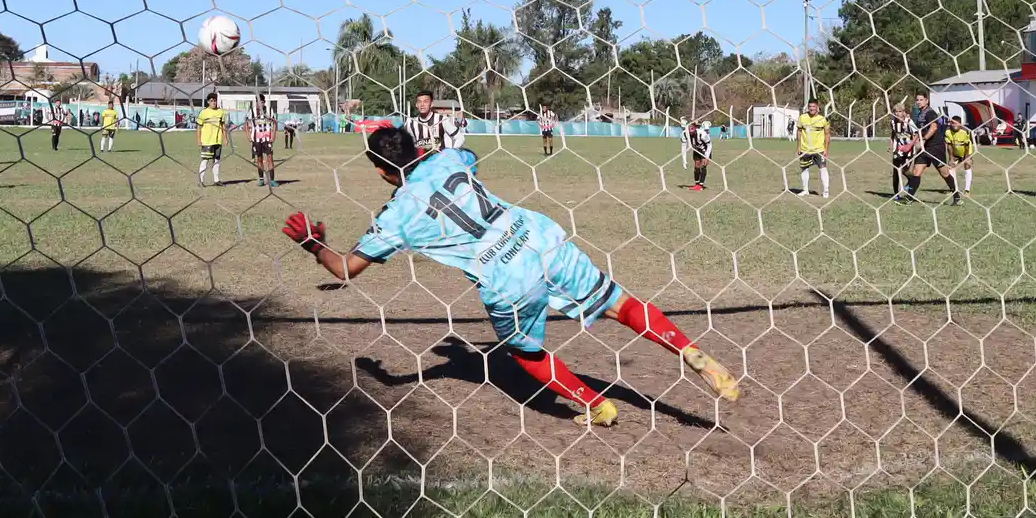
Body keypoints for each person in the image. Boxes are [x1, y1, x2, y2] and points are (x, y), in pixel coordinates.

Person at [281, 126, 741, 427]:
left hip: (504, 274)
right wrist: (437, 156)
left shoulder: (396, 215)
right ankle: (691, 351)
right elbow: (471, 156)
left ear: (382, 172)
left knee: (524, 351)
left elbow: (345, 269)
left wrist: (313, 243)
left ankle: (596, 405)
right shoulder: (448, 159)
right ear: (418, 149)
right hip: (537, 237)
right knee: (619, 303)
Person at [898, 92, 960, 205]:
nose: (918, 102)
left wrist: (924, 139)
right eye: (917, 100)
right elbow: (919, 132)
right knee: (916, 171)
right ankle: (909, 198)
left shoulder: (930, 112)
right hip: (925, 148)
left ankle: (957, 197)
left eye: (921, 100)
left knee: (944, 173)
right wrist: (910, 145)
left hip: (936, 147)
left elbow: (934, 127)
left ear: (927, 101)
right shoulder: (920, 114)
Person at [792, 100, 831, 199]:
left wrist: (826, 149)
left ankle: (826, 191)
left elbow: (827, 135)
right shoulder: (802, 117)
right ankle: (805, 190)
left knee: (823, 168)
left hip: (819, 149)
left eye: (813, 106)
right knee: (804, 168)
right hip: (805, 149)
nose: (811, 108)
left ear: (817, 107)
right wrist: (798, 147)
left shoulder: (823, 119)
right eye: (810, 106)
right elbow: (799, 132)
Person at [197, 94, 227, 186]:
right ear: (208, 102)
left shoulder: (221, 112)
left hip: (217, 140)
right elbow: (199, 127)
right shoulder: (203, 113)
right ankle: (201, 180)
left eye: (215, 100)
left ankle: (216, 180)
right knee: (205, 160)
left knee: (217, 160)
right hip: (207, 141)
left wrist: (225, 138)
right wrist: (199, 139)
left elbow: (223, 126)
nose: (213, 102)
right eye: (211, 101)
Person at [888, 103, 917, 199]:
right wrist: (891, 145)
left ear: (904, 112)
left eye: (899, 111)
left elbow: (916, 134)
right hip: (898, 150)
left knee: (905, 170)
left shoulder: (909, 121)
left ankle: (911, 180)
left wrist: (910, 145)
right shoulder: (893, 122)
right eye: (895, 112)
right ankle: (896, 194)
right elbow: (893, 133)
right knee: (896, 171)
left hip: (908, 150)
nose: (897, 114)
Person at [249, 99, 279, 188]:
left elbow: (275, 122)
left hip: (267, 138)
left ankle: (272, 180)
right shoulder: (252, 111)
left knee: (270, 158)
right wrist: (248, 136)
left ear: (264, 102)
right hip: (257, 139)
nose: (260, 104)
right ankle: (261, 179)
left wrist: (274, 135)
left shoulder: (269, 110)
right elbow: (246, 123)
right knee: (259, 158)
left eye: (262, 102)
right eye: (258, 102)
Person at [944, 115, 976, 196]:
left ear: (960, 124)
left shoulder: (965, 131)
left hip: (966, 151)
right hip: (955, 152)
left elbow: (967, 145)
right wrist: (951, 157)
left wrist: (966, 157)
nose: (954, 125)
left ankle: (967, 190)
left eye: (956, 123)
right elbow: (949, 145)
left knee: (967, 165)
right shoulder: (947, 131)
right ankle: (954, 189)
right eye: (953, 123)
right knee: (950, 167)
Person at [407, 90, 446, 155]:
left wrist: (450, 153)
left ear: (432, 104)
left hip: (439, 159)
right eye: (419, 102)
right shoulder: (411, 123)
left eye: (426, 101)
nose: (422, 104)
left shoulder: (442, 119)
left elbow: (459, 137)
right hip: (420, 160)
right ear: (416, 105)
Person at [684, 120, 713, 191]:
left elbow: (709, 145)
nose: (690, 130)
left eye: (692, 128)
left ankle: (701, 185)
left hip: (705, 150)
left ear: (695, 127)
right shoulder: (685, 134)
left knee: (703, 166)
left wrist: (706, 156)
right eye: (688, 128)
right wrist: (684, 159)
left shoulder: (702, 134)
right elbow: (683, 146)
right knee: (697, 166)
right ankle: (697, 184)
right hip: (696, 150)